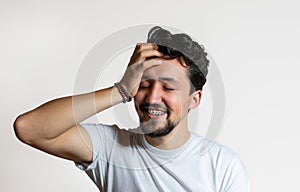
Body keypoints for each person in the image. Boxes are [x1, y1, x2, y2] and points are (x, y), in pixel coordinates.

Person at [14, 26, 248, 191]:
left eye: (168, 87)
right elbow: (29, 128)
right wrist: (121, 90)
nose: (153, 97)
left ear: (194, 99)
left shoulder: (223, 166)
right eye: (143, 85)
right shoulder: (110, 147)